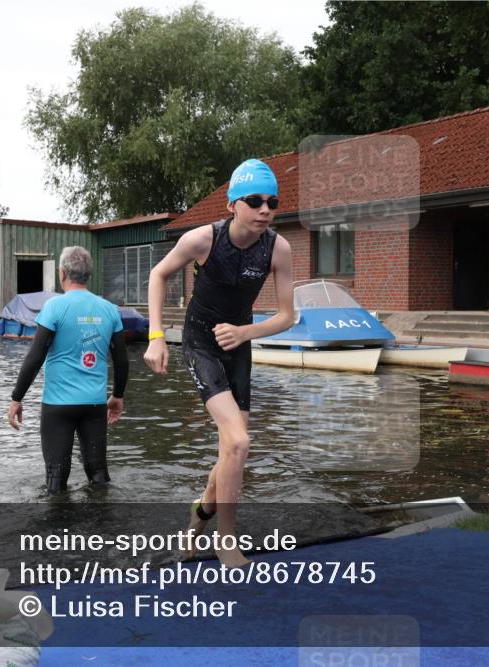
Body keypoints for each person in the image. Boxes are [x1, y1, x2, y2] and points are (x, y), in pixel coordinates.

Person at [144, 158, 295, 568]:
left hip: (238, 345)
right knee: (240, 441)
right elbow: (158, 275)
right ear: (232, 204)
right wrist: (157, 337)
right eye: (254, 201)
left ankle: (197, 520)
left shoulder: (277, 248)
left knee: (234, 450)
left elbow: (287, 316)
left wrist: (245, 332)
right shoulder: (202, 241)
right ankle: (227, 539)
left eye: (272, 202)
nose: (265, 209)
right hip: (201, 344)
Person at [8, 246, 129, 495]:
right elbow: (121, 359)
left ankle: (58, 530)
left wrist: (16, 398)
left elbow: (35, 357)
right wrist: (117, 396)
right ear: (89, 274)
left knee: (56, 477)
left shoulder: (54, 307)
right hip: (94, 405)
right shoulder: (109, 309)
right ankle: (103, 528)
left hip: (58, 407)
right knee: (98, 475)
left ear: (62, 273)